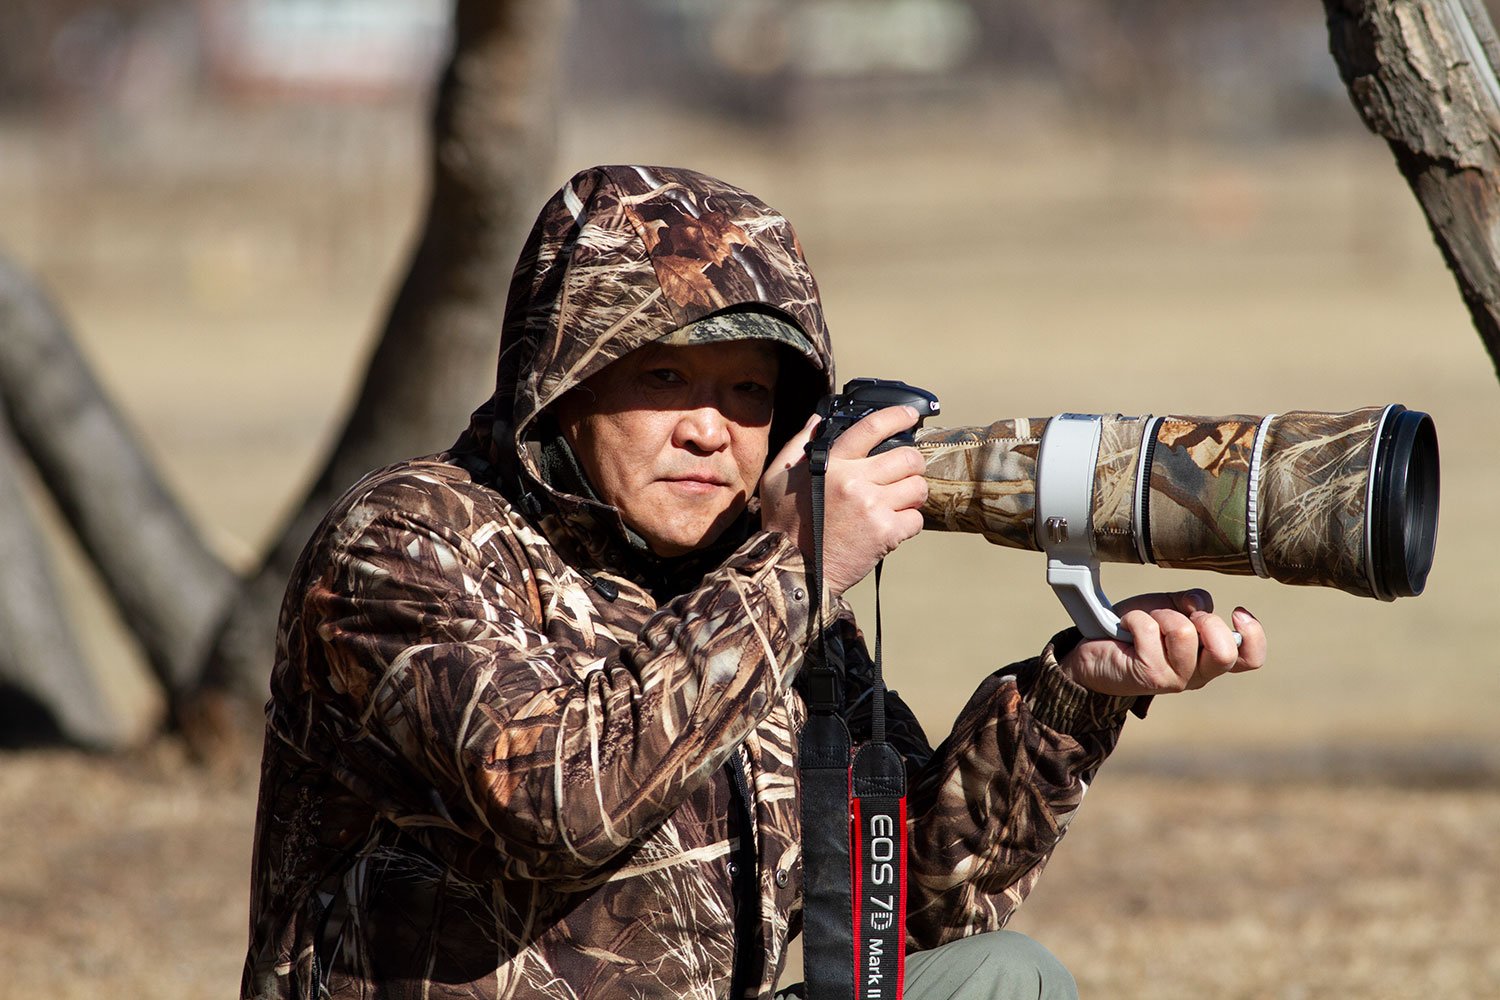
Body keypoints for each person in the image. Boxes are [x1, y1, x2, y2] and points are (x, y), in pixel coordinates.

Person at [242, 165, 1265, 1000]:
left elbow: (902, 905)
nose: (707, 428)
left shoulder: (760, 572)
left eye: (746, 393)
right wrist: (795, 569)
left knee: (1004, 979)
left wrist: (1076, 698)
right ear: (559, 382)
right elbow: (558, 798)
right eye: (662, 378)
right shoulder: (409, 540)